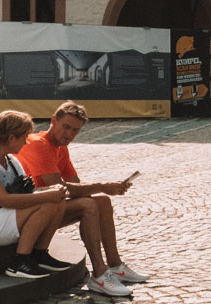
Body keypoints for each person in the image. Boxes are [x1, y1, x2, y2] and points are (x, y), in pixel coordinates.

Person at [18, 101, 148, 297]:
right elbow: (60, 188)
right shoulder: (38, 143)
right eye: (66, 127)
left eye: (75, 130)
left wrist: (109, 189)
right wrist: (104, 186)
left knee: (102, 201)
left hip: (47, 208)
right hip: (26, 214)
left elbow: (75, 185)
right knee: (89, 204)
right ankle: (99, 273)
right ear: (54, 121)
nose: (69, 134)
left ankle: (115, 265)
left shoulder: (60, 146)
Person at [0, 110, 75, 281]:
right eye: (24, 138)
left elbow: (26, 192)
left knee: (56, 200)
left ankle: (40, 254)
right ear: (12, 138)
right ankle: (19, 262)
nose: (25, 143)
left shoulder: (12, 161)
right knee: (48, 202)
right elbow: (4, 199)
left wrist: (52, 190)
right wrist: (46, 196)